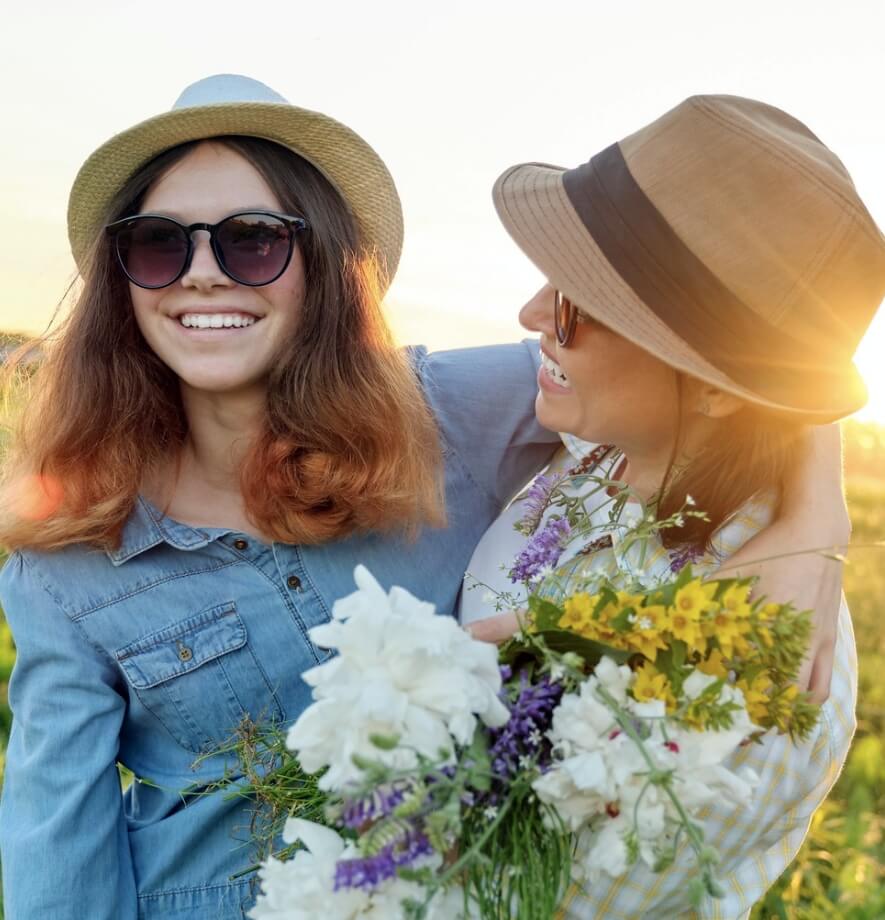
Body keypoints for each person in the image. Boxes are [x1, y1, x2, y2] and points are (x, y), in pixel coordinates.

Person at [0, 74, 853, 919]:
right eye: (157, 243)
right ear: (123, 277)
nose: (200, 276)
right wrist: (823, 524)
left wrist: (818, 520)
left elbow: (727, 371)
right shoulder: (69, 556)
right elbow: (56, 842)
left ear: (328, 264)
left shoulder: (446, 411)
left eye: (253, 240)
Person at [462, 94, 885, 917]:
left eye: (579, 303)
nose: (530, 316)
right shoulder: (598, 444)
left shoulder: (759, 679)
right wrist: (816, 501)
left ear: (720, 388)